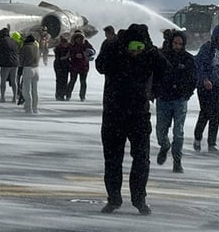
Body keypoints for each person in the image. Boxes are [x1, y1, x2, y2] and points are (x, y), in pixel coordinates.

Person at [95, 23, 167, 215]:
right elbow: (100, 66)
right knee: (112, 159)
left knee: (142, 159)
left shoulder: (149, 54)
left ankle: (139, 199)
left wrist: (151, 51)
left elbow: (165, 71)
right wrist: (113, 47)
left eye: (140, 48)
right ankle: (114, 199)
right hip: (113, 114)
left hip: (139, 114)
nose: (136, 52)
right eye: (133, 47)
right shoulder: (113, 49)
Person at [154, 30, 197, 173]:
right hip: (164, 99)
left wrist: (187, 93)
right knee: (161, 129)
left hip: (180, 99)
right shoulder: (163, 57)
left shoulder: (188, 59)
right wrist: (156, 91)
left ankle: (177, 160)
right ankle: (164, 145)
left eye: (180, 44)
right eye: (175, 43)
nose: (177, 46)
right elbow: (155, 75)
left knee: (178, 132)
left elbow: (193, 78)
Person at [193, 25, 219, 154]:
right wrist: (204, 79)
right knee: (205, 112)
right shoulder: (207, 48)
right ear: (217, 36)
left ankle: (212, 143)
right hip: (205, 86)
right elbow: (199, 65)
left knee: (215, 115)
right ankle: (198, 138)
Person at [67, 32, 95, 102]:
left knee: (83, 82)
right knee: (72, 81)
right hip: (74, 66)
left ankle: (82, 96)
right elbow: (69, 53)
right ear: (75, 39)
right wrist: (75, 55)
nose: (79, 40)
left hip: (84, 66)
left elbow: (93, 51)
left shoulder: (86, 44)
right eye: (78, 38)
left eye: (81, 38)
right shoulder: (72, 45)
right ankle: (68, 95)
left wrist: (84, 54)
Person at [0, 28, 19, 103]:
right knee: (14, 80)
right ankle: (14, 97)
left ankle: (2, 97)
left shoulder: (0, 41)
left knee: (3, 80)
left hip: (5, 63)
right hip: (15, 63)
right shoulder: (14, 41)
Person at [20, 34, 40, 114]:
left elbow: (21, 59)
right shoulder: (36, 47)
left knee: (26, 89)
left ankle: (28, 108)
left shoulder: (25, 48)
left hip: (28, 68)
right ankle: (35, 108)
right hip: (36, 68)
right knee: (35, 90)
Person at [53, 35, 72, 100]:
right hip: (59, 65)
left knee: (65, 80)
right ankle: (58, 94)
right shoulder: (58, 48)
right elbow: (58, 58)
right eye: (65, 44)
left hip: (65, 65)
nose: (66, 45)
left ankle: (62, 94)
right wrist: (66, 56)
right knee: (59, 80)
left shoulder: (68, 47)